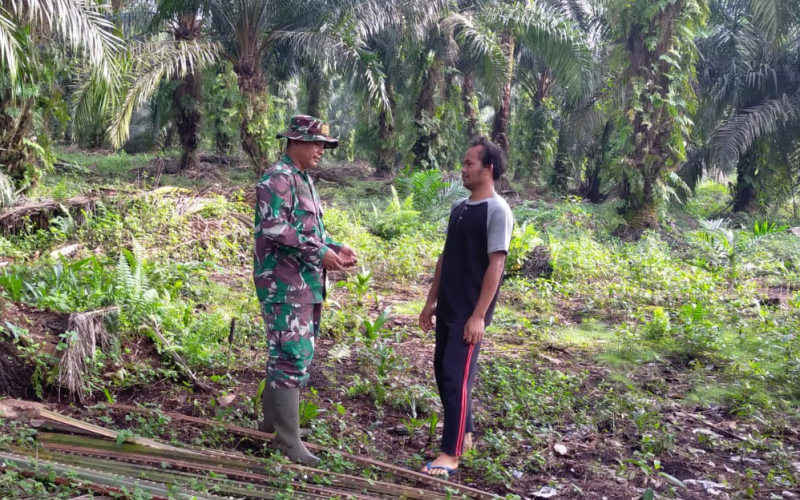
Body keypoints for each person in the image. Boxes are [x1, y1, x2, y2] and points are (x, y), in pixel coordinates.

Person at [253, 114, 357, 466]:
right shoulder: (276, 179)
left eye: (324, 146)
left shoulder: (302, 180)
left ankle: (273, 428)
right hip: (283, 285)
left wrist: (335, 247)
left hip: (306, 284)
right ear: (294, 142)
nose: (321, 151)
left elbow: (310, 231)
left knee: (290, 358)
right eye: (316, 144)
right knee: (290, 358)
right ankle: (287, 443)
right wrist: (319, 252)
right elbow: (275, 228)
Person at [418, 136, 514, 477]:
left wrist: (478, 316)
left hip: (469, 313)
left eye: (469, 163)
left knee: (455, 379)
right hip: (448, 307)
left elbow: (496, 266)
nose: (463, 168)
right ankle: (465, 432)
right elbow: (446, 256)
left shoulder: (497, 211)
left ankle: (451, 454)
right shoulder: (460, 208)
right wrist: (431, 301)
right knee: (444, 375)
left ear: (488, 168)